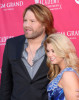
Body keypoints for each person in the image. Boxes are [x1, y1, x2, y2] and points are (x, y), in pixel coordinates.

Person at [0, 3, 56, 100]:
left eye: (32, 21)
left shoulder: (56, 46)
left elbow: (66, 76)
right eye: (25, 20)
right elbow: (6, 83)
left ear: (45, 24)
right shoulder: (12, 44)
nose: (26, 25)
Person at [44, 33, 79, 100]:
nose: (49, 55)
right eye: (48, 51)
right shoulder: (62, 72)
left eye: (53, 51)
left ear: (62, 50)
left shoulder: (68, 74)